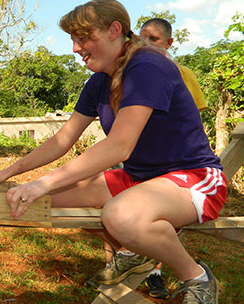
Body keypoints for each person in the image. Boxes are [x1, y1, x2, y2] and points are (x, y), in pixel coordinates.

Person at [0, 1, 225, 303]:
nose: (74, 47)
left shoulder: (147, 67)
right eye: (72, 39)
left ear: (114, 30)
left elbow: (120, 145)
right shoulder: (98, 83)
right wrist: (11, 173)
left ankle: (196, 277)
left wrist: (43, 181)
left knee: (119, 215)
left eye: (83, 37)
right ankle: (132, 251)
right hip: (139, 180)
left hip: (193, 179)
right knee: (39, 201)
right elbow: (62, 140)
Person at [98, 17, 210, 300]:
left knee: (131, 214)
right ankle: (127, 255)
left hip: (174, 170)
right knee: (111, 208)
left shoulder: (179, 74)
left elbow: (188, 121)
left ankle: (162, 272)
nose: (145, 44)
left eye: (155, 39)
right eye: (142, 37)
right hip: (135, 163)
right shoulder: (127, 74)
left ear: (170, 43)